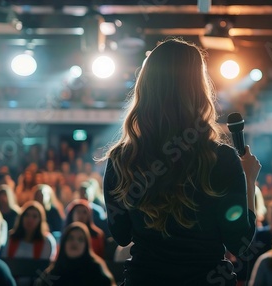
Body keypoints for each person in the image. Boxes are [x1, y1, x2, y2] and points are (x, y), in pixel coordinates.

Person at [102, 38, 260, 286]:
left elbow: (120, 235)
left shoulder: (122, 159)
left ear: (146, 86)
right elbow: (239, 243)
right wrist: (249, 180)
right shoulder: (220, 158)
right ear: (198, 89)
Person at [36, 222, 115, 286]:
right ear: (64, 243)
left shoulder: (96, 269)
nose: (75, 242)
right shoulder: (53, 273)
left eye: (80, 239)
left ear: (86, 245)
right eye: (70, 238)